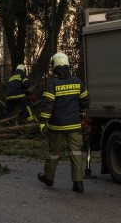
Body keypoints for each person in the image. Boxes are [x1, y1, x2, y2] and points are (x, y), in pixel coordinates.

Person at [37, 52, 89, 193]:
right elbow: (85, 100)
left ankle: (49, 178)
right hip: (74, 124)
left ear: (54, 67)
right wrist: (80, 112)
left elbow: (48, 105)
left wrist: (43, 122)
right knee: (76, 153)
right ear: (67, 65)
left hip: (57, 126)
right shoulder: (77, 81)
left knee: (54, 152)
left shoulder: (53, 84)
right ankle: (78, 183)